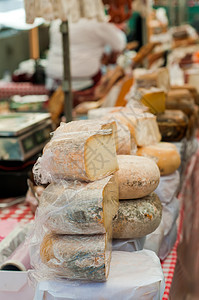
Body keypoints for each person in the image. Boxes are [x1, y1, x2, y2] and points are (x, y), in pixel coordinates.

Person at [45, 18, 127, 93]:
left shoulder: (58, 20)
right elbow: (119, 44)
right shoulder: (97, 22)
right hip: (84, 84)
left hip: (53, 82)